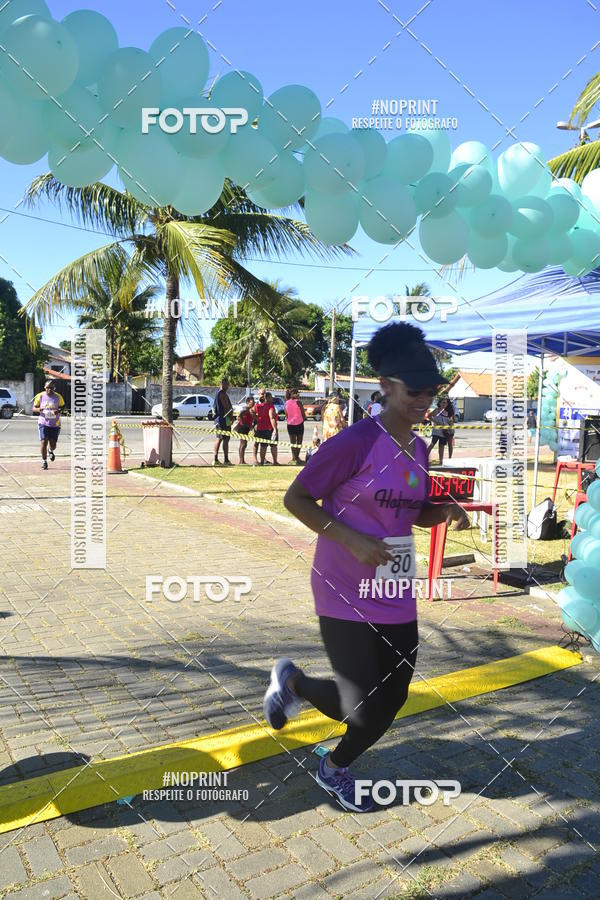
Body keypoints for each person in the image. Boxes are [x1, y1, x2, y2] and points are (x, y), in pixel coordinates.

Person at [262, 322, 470, 812]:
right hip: (343, 585)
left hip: (395, 585)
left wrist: (441, 512)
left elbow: (407, 511)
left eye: (432, 390)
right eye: (414, 390)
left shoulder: (418, 449)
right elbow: (297, 498)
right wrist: (351, 539)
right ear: (386, 386)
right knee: (362, 707)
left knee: (391, 699)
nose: (426, 399)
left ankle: (293, 686)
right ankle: (332, 763)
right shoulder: (355, 442)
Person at [33, 380, 64, 470]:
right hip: (43, 422)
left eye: (51, 388)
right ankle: (44, 461)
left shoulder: (58, 397)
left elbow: (63, 407)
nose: (49, 389)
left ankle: (50, 450)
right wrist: (40, 409)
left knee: (53, 444)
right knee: (43, 441)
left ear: (54, 388)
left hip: (55, 424)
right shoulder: (40, 396)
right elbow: (34, 408)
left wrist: (58, 411)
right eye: (47, 387)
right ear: (44, 387)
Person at [253, 390, 279, 466]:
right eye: (271, 397)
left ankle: (261, 462)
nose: (272, 399)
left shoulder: (258, 406)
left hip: (260, 428)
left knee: (263, 446)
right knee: (273, 445)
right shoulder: (270, 406)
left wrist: (257, 419)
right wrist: (274, 429)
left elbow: (252, 411)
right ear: (267, 398)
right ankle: (275, 461)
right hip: (269, 428)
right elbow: (272, 417)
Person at [427, 396, 454, 465]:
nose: (444, 404)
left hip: (444, 432)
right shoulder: (436, 410)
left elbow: (449, 422)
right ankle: (424, 457)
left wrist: (449, 426)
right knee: (432, 444)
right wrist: (436, 422)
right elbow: (429, 416)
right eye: (443, 402)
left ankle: (441, 460)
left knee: (441, 446)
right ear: (440, 403)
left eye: (445, 403)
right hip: (436, 431)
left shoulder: (447, 413)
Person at [213, 377, 234, 466]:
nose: (227, 386)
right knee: (221, 439)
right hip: (223, 420)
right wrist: (231, 417)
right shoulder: (222, 394)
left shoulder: (222, 394)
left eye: (227, 384)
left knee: (224, 439)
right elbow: (226, 407)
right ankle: (217, 459)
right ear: (221, 385)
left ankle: (223, 459)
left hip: (224, 420)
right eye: (225, 384)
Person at [285, 388, 306, 465]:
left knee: (292, 442)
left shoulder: (286, 403)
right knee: (299, 442)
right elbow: (303, 414)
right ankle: (296, 458)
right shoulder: (298, 402)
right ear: (294, 394)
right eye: (297, 393)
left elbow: (286, 415)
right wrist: (302, 420)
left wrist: (290, 420)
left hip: (290, 424)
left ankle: (294, 458)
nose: (298, 395)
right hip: (299, 424)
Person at [234, 396, 256, 464]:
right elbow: (240, 415)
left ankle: (242, 460)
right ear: (248, 402)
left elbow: (252, 419)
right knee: (243, 444)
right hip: (243, 428)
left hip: (247, 428)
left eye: (254, 401)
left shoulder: (251, 410)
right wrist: (242, 422)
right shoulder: (245, 409)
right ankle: (241, 461)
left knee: (244, 444)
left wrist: (251, 425)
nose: (253, 403)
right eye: (252, 402)